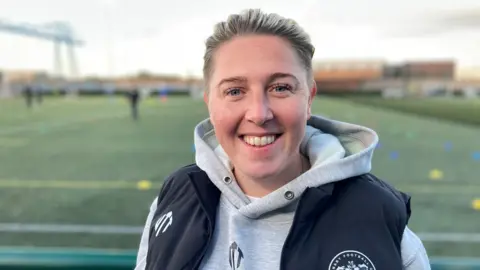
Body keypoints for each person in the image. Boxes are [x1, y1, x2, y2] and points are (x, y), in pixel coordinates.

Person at [135, 9, 430, 270]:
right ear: (210, 105)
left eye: (280, 88)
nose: (259, 114)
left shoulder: (381, 224)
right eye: (235, 91)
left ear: (309, 99)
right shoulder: (174, 201)